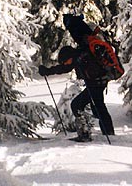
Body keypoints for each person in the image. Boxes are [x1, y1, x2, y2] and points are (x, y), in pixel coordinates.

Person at [39, 14, 115, 142]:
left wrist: (47, 71)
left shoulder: (79, 56)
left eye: (65, 61)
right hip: (99, 83)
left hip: (96, 84)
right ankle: (108, 133)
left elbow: (63, 68)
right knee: (98, 108)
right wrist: (47, 71)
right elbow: (64, 68)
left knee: (77, 106)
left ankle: (86, 135)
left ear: (69, 57)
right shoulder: (80, 55)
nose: (66, 64)